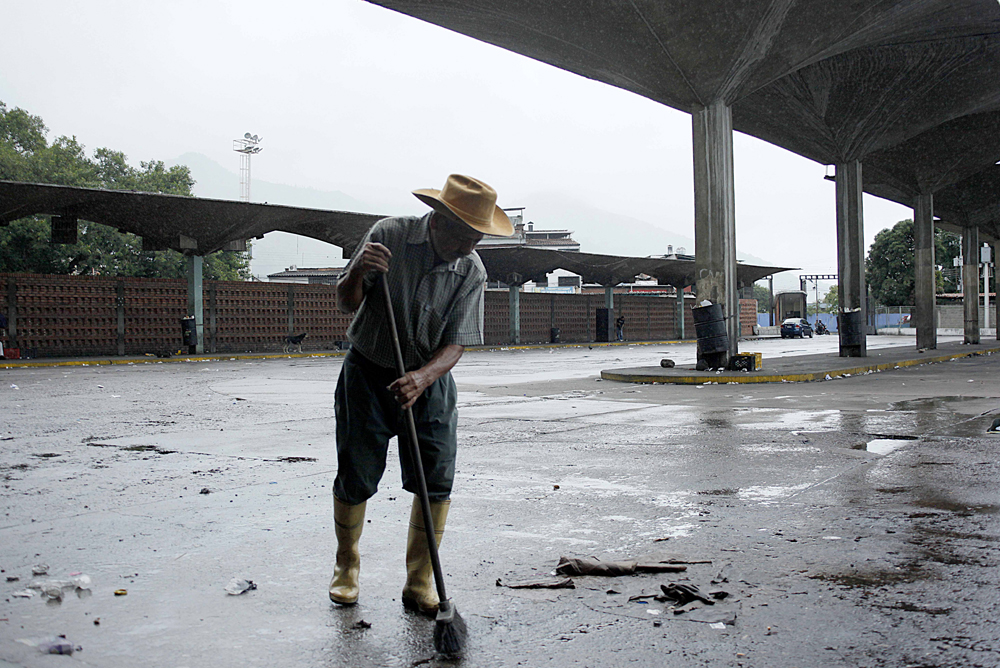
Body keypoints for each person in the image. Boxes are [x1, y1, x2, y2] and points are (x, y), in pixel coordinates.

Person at [329, 174, 513, 614]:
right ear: (440, 219)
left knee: (436, 479)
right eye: (466, 235)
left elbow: (457, 341)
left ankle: (419, 582)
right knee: (356, 473)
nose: (471, 246)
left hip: (428, 380)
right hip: (368, 372)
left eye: (478, 237)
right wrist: (359, 270)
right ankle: (346, 566)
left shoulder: (471, 270)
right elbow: (346, 301)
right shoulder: (389, 236)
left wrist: (424, 378)